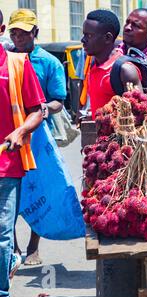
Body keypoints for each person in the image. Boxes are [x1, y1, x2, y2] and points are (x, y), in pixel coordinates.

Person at [7, 9, 69, 265]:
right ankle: (13, 247)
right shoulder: (5, 59)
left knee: (38, 191)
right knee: (9, 193)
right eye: (14, 32)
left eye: (23, 32)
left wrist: (41, 109)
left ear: (35, 32)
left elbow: (59, 101)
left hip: (37, 135)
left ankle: (33, 246)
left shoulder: (48, 63)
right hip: (7, 133)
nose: (18, 37)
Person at [0, 8, 45, 297]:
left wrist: (20, 131)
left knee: (2, 234)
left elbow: (38, 109)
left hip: (6, 163)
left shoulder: (17, 64)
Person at [81, 9, 143, 120]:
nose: (83, 40)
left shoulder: (125, 70)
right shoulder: (94, 65)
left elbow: (139, 115)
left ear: (107, 38)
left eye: (89, 35)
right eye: (84, 35)